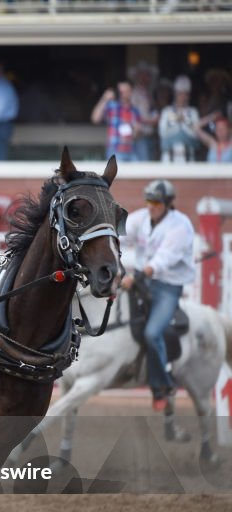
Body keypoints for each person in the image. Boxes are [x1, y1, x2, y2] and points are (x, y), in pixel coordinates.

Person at [120, 179, 195, 412]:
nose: (151, 206)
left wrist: (135, 276)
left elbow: (162, 261)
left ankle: (162, 384)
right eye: (149, 200)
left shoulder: (180, 226)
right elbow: (120, 235)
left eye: (156, 202)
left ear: (168, 204)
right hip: (143, 281)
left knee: (153, 333)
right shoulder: (140, 218)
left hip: (167, 287)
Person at [91, 81, 142, 161]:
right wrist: (105, 99)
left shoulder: (135, 111)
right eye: (121, 92)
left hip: (131, 150)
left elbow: (137, 135)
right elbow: (95, 118)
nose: (123, 94)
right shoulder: (112, 106)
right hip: (114, 149)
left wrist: (136, 131)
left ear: (131, 92)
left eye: (126, 91)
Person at [158, 76, 200, 163]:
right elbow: (162, 133)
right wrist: (177, 126)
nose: (183, 97)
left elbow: (196, 134)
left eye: (185, 94)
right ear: (175, 94)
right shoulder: (167, 111)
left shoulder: (193, 112)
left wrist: (184, 123)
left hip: (188, 157)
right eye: (180, 94)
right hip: (169, 157)